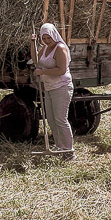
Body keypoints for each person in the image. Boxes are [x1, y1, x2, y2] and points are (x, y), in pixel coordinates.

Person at [34, 23, 75, 160]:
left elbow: (61, 70)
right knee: (51, 119)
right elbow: (35, 60)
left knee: (60, 119)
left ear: (54, 35)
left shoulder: (60, 48)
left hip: (61, 87)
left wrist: (42, 71)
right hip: (49, 87)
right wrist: (32, 43)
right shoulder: (44, 48)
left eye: (48, 38)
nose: (46, 41)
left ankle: (69, 151)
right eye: (43, 38)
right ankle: (59, 147)